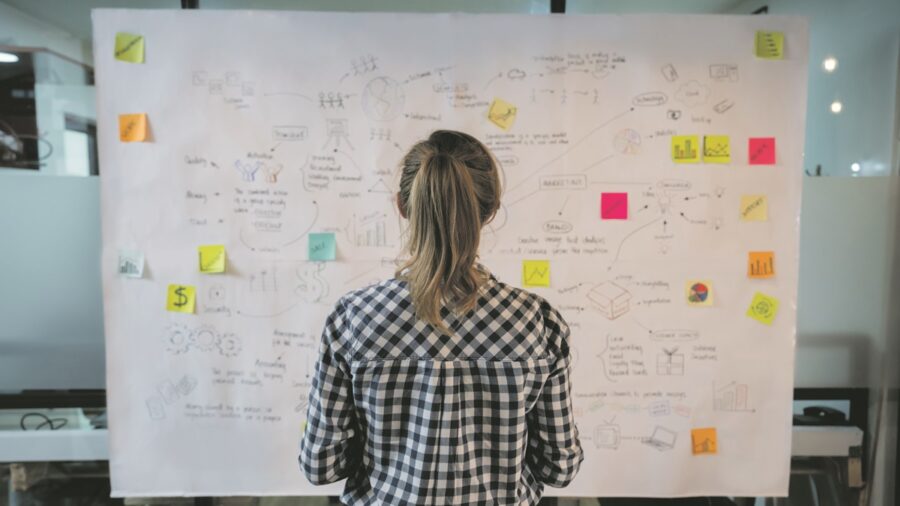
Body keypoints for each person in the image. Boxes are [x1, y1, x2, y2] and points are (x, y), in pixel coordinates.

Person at [299, 130, 583, 505]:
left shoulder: (353, 318)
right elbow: (559, 467)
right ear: (491, 210)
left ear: (402, 205)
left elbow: (321, 464)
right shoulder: (537, 321)